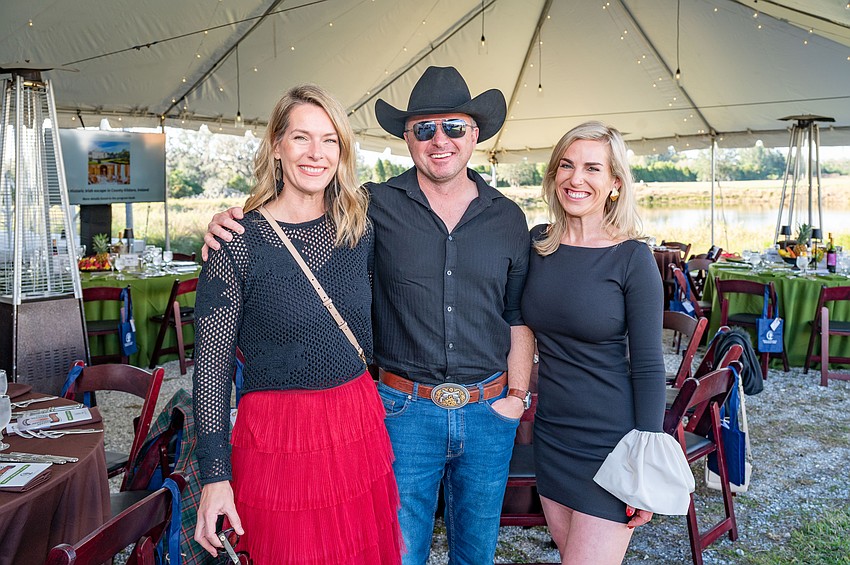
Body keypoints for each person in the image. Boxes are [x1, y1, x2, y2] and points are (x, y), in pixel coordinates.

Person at [203, 66, 535, 565]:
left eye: (454, 127)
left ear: (475, 133)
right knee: (391, 552)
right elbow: (212, 365)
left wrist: (516, 395)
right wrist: (225, 223)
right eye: (424, 128)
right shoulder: (364, 211)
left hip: (435, 417)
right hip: (372, 419)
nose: (439, 140)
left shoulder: (498, 217)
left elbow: (517, 310)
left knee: (458, 553)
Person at [192, 84, 403, 565]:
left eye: (330, 140)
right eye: (302, 138)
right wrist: (214, 476)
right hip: (279, 440)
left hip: (356, 425)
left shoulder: (359, 227)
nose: (316, 153)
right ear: (277, 147)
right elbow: (211, 371)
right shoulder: (238, 243)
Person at [519, 121, 694, 564]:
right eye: (567, 165)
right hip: (553, 435)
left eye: (592, 168)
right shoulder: (538, 244)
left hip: (612, 443)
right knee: (567, 553)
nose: (576, 179)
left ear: (615, 182)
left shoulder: (633, 257)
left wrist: (645, 463)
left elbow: (651, 367)